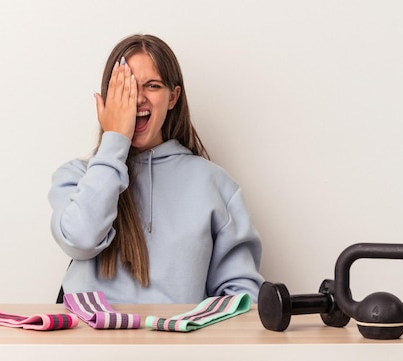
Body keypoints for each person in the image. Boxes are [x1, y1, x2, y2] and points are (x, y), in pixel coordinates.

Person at [48, 34, 264, 304]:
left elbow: (243, 297)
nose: (138, 99)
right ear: (108, 99)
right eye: (126, 87)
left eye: (152, 86)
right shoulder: (76, 177)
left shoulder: (216, 185)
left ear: (173, 97)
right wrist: (115, 140)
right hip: (90, 343)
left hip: (179, 343)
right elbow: (80, 240)